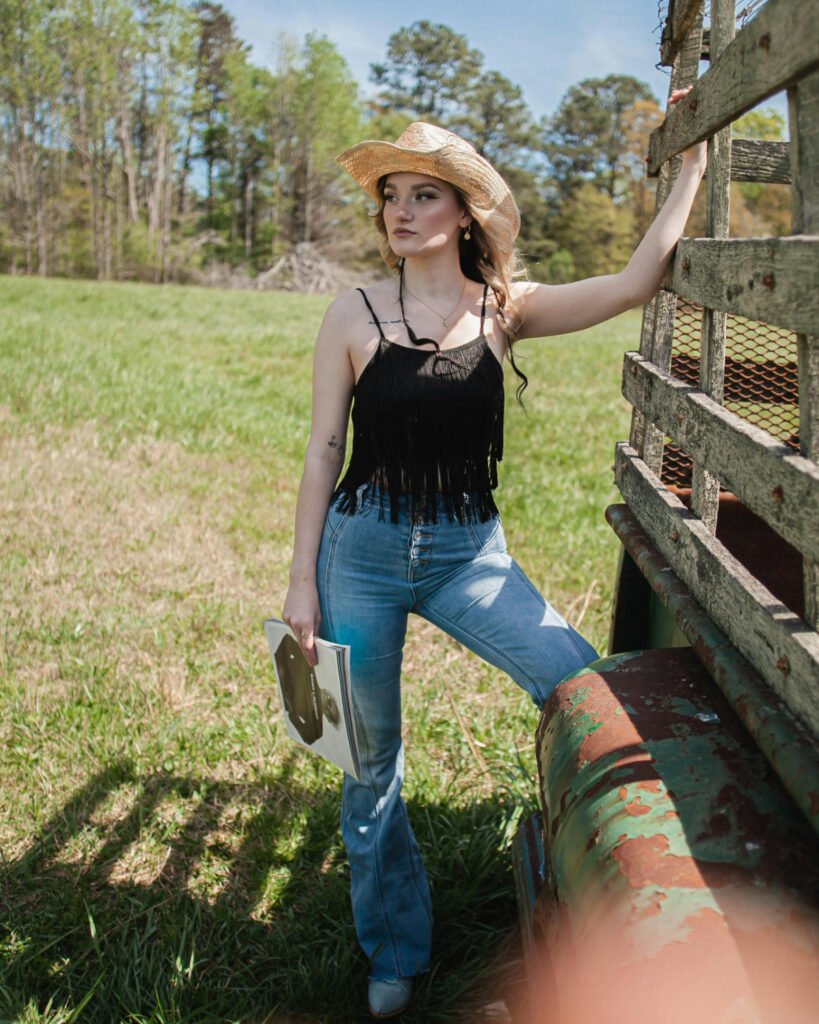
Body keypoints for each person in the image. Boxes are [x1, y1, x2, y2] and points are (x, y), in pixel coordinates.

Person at [283, 107, 706, 1018]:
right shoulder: (351, 313)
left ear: (464, 212)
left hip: (470, 557)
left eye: (422, 194)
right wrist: (299, 583)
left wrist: (692, 164)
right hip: (360, 552)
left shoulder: (503, 308)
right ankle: (395, 950)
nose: (400, 211)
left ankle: (587, 890)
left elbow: (636, 281)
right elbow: (323, 449)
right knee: (368, 763)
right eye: (391, 195)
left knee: (584, 695)